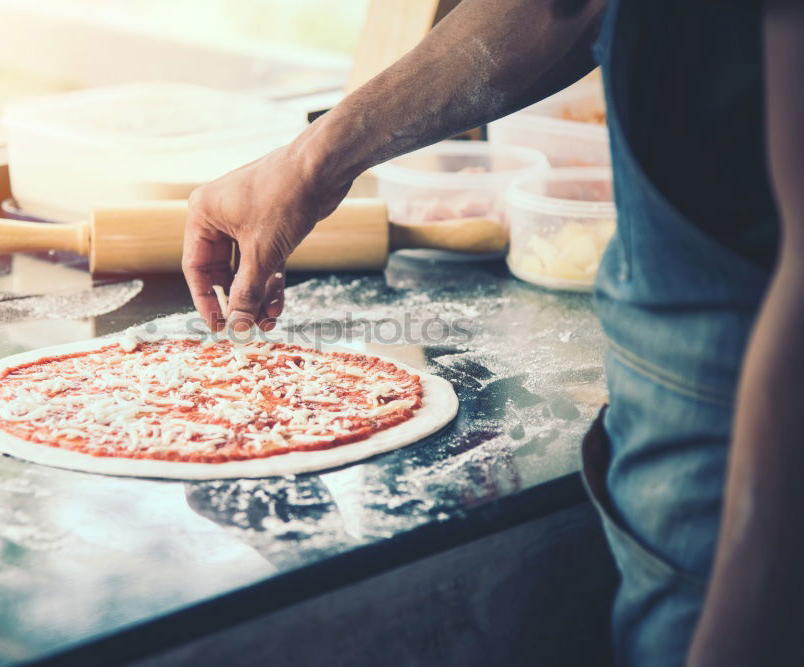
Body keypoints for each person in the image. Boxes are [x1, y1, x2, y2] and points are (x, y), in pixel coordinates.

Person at [181, 1, 804, 664]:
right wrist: (309, 165)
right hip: (672, 448)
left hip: (755, 474)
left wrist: (749, 614)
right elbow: (561, 6)